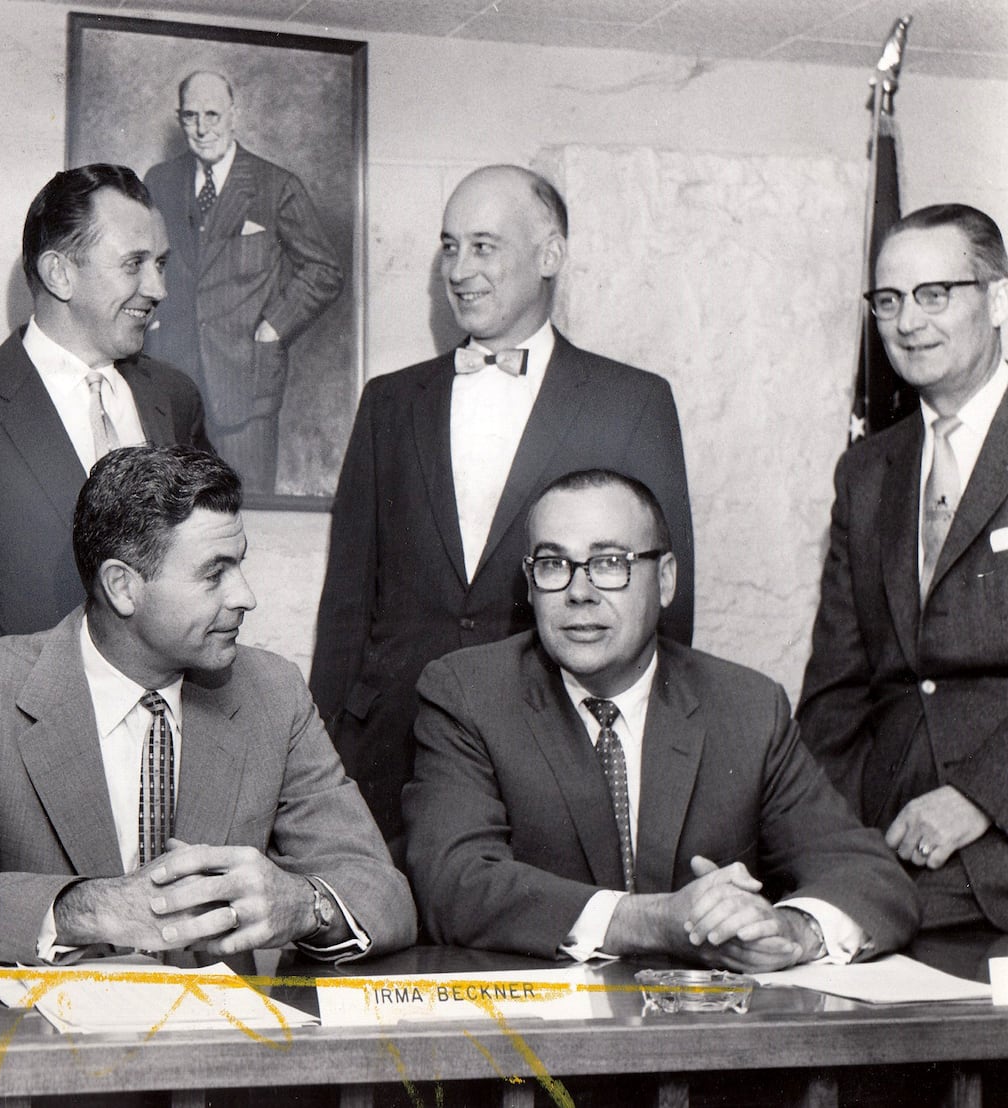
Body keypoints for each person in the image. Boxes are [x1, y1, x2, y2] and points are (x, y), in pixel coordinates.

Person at [0, 445, 414, 963]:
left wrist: (304, 905)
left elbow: (384, 895)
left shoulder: (274, 692)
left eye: (240, 566)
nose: (245, 596)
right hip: (38, 1050)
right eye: (213, 573)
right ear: (123, 587)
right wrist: (88, 909)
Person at [311, 164, 696, 850]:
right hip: (392, 748)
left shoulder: (630, 401)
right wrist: (319, 757)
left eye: (483, 246)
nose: (459, 270)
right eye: (449, 246)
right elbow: (347, 604)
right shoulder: (388, 403)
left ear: (549, 255)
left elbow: (667, 606)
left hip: (556, 745)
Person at [404, 469, 918, 967]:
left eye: (609, 562)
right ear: (531, 583)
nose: (578, 592)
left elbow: (869, 874)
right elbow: (455, 882)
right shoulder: (469, 694)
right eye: (553, 564)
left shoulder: (747, 707)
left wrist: (791, 932)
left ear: (666, 580)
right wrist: (656, 920)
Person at [799, 203, 1008, 931]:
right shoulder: (867, 472)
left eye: (933, 294)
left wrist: (982, 797)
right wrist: (812, 842)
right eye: (888, 300)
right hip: (888, 858)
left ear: (1000, 298)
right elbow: (835, 692)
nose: (907, 321)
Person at [0, 164, 210, 652]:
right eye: (134, 264)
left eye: (161, 264)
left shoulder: (176, 397)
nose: (158, 289)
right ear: (59, 273)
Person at [143, 71, 343, 493]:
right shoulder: (160, 182)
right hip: (171, 380)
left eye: (213, 114)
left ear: (235, 115)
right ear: (180, 119)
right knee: (169, 517)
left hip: (247, 384)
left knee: (247, 516)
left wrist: (273, 328)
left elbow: (324, 270)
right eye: (191, 116)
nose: (202, 128)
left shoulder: (276, 185)